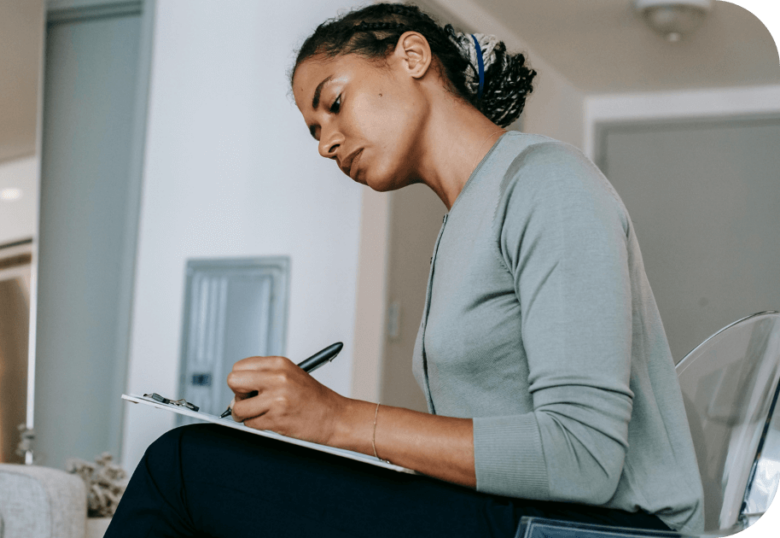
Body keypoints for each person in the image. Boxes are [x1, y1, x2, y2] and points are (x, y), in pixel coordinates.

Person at [105, 4, 705, 537]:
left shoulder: (548, 181)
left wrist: (335, 419)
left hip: (606, 529)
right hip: (514, 512)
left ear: (411, 57)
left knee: (183, 467)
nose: (325, 145)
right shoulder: (463, 222)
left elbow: (584, 457)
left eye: (334, 105)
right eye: (314, 132)